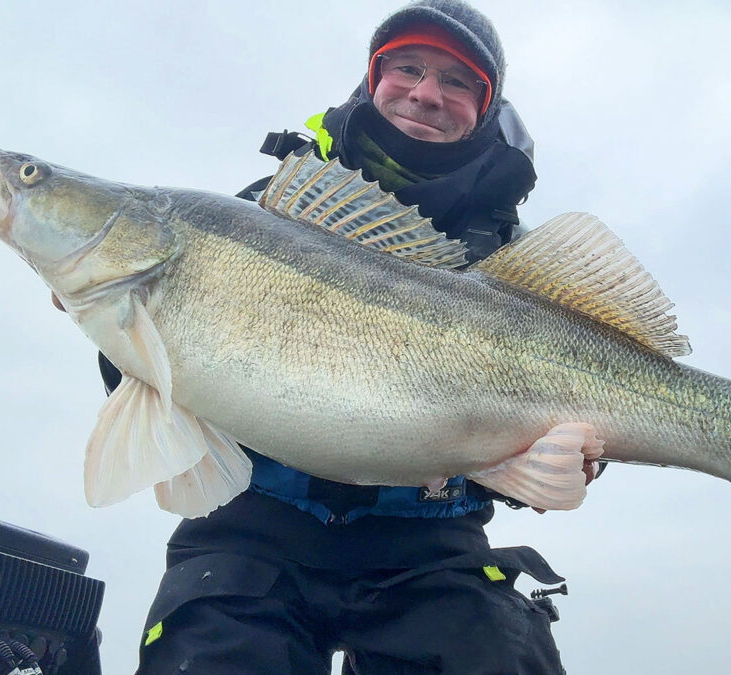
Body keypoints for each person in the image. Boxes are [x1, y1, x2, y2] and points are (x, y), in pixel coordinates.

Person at [63, 1, 599, 673]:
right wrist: (116, 321)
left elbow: (543, 453)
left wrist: (559, 460)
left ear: (484, 107)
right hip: (250, 529)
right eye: (407, 66)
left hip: (431, 546)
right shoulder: (265, 212)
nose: (426, 93)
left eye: (458, 81)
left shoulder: (515, 260)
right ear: (375, 79)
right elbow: (153, 379)